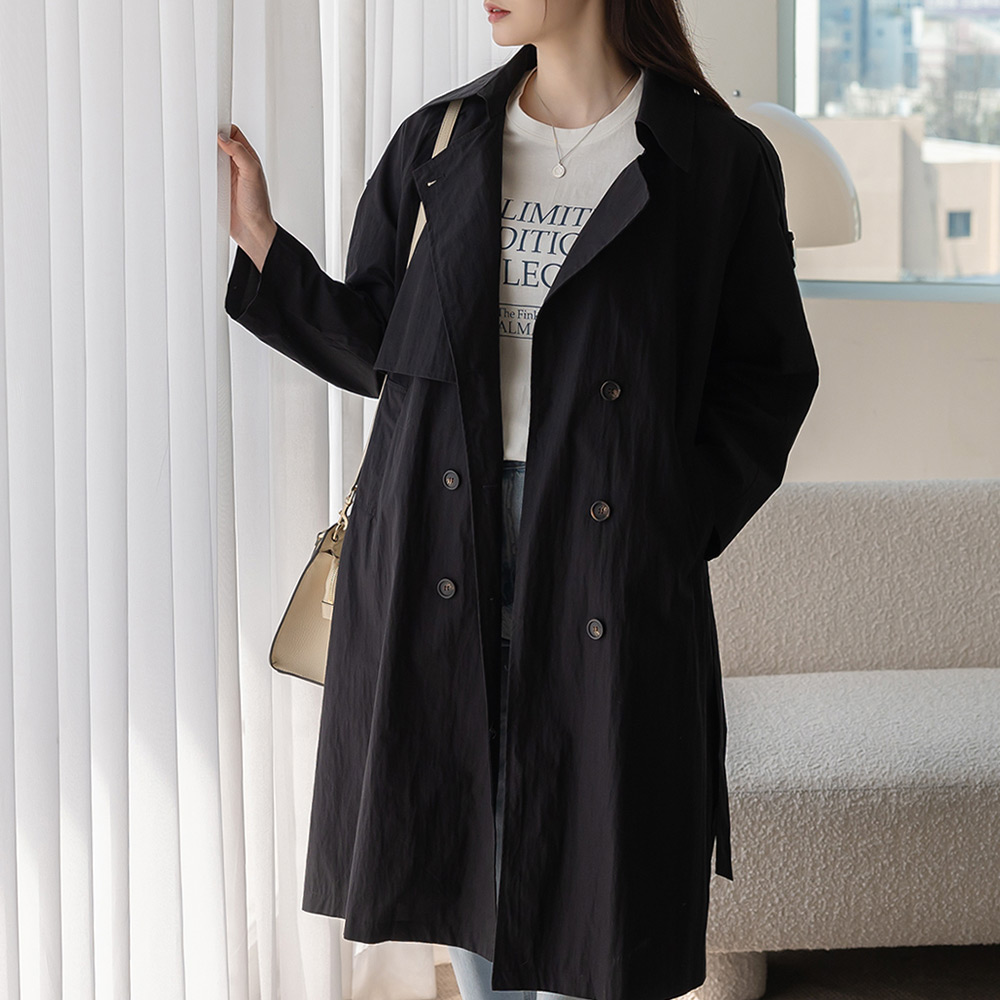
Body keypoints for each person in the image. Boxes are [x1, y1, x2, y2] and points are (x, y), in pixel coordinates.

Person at [219, 3, 819, 999]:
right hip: (439, 535)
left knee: (593, 869)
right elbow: (379, 343)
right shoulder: (441, 140)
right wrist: (263, 244)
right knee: (461, 850)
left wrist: (669, 518)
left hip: (602, 543)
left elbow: (767, 379)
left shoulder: (715, 159)